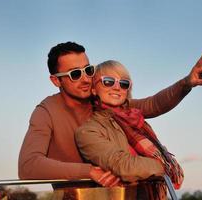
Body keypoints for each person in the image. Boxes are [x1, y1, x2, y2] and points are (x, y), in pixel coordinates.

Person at [18, 41, 202, 187]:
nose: (86, 79)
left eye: (88, 70)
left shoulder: (106, 104)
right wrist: (88, 172)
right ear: (56, 81)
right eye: (75, 74)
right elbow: (28, 165)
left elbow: (153, 104)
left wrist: (186, 83)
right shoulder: (46, 111)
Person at [75, 60, 184, 199]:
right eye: (108, 81)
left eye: (123, 83)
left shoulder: (137, 121)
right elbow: (124, 166)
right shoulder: (88, 131)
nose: (117, 88)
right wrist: (165, 166)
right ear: (94, 89)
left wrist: (187, 83)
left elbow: (156, 102)